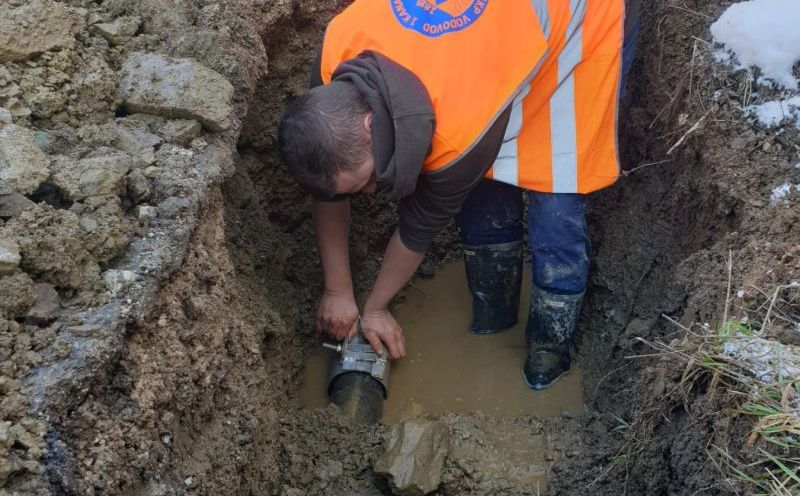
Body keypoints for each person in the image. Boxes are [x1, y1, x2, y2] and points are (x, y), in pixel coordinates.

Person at [278, 0, 640, 389]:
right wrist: (338, 289)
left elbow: (417, 230)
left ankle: (549, 349)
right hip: (491, 49)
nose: (369, 192)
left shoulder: (458, 133)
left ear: (369, 124)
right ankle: (494, 314)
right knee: (481, 183)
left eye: (367, 178)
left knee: (555, 203)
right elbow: (331, 193)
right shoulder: (335, 55)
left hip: (580, 25)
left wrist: (377, 308)